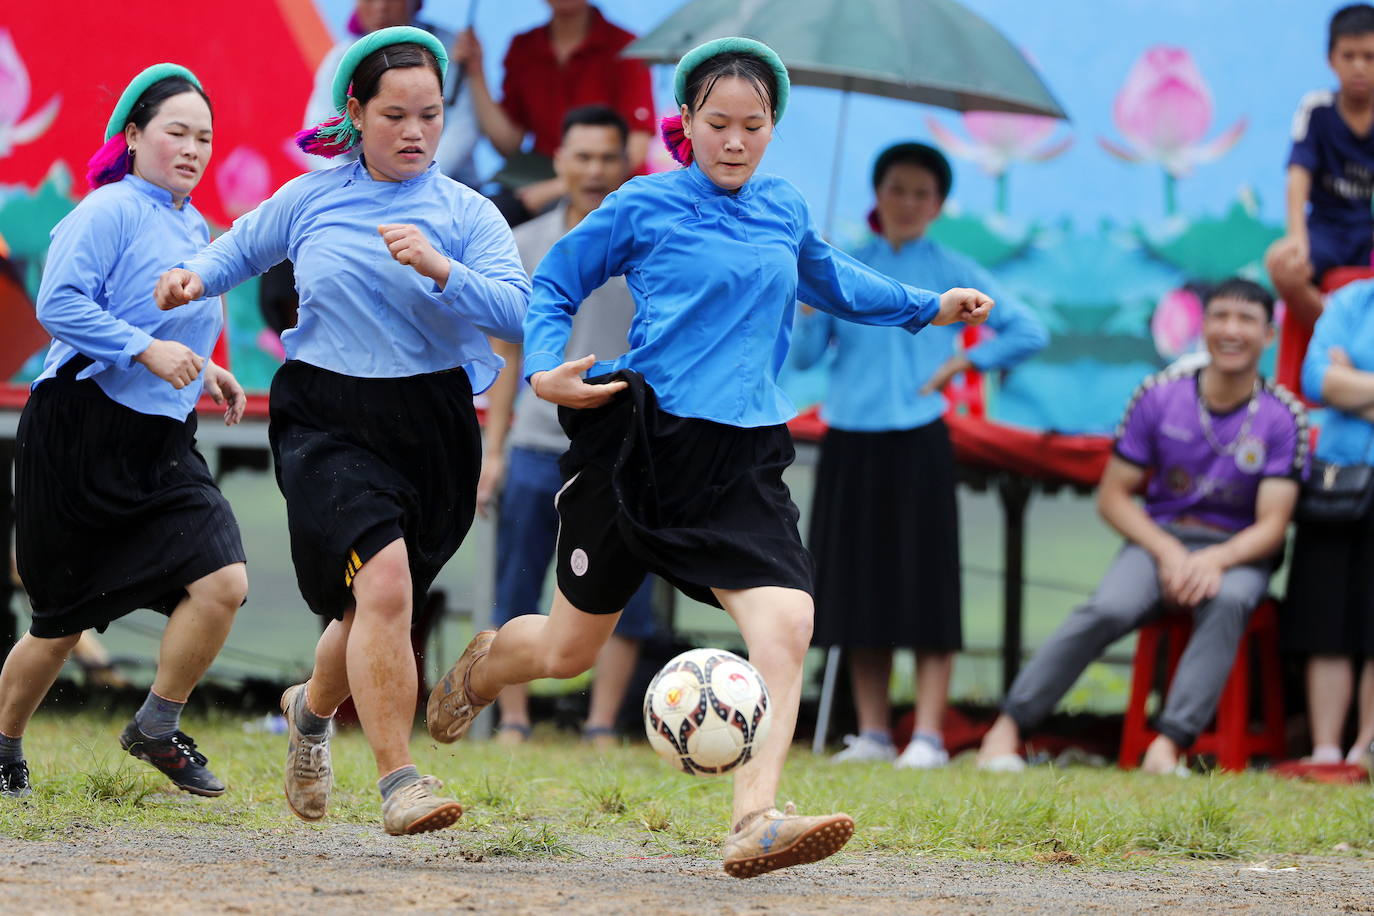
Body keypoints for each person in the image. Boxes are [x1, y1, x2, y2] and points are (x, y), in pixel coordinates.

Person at [426, 37, 992, 877]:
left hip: (743, 459)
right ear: (686, 122)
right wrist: (545, 368)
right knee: (567, 652)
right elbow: (555, 282)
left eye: (752, 126)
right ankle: (484, 668)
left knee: (788, 622)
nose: (734, 141)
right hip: (640, 447)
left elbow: (832, 278)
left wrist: (927, 306)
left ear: (772, 128)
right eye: (718, 124)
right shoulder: (643, 203)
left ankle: (754, 817)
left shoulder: (783, 208)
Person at [156, 28, 529, 835]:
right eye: (395, 115)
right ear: (355, 113)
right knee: (385, 588)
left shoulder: (467, 213)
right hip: (327, 417)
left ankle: (309, 710)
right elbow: (238, 249)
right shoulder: (313, 197)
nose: (415, 132)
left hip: (433, 423)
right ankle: (400, 781)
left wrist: (443, 269)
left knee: (371, 610)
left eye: (430, 115)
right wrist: (193, 277)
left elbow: (519, 313)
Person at [0, 64, 249, 799]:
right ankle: (3, 747)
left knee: (224, 582)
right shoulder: (106, 209)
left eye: (204, 137)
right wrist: (145, 351)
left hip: (160, 443)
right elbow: (58, 304)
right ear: (134, 136)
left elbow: (157, 324)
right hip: (78, 432)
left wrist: (206, 369)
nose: (193, 149)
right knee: (59, 625)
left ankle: (156, 725)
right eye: (177, 132)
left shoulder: (196, 227)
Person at [977, 279, 1305, 775]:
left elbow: (1273, 526)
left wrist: (1213, 560)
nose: (1231, 330)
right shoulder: (1158, 395)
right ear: (1203, 326)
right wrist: (1170, 552)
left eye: (1246, 320)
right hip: (1159, 541)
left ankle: (1168, 746)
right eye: (1220, 317)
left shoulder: (1283, 416)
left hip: (1236, 552)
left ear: (1269, 335)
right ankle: (1006, 730)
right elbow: (1112, 498)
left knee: (1230, 601)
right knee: (1107, 608)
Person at [791, 142, 1048, 770]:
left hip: (920, 440)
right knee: (858, 587)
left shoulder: (953, 268)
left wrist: (967, 360)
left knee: (927, 585)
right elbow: (803, 357)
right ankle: (874, 733)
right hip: (850, 439)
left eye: (921, 193)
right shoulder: (844, 263)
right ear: (877, 195)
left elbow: (1028, 329)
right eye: (896, 190)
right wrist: (807, 303)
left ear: (938, 205)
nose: (907, 202)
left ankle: (928, 735)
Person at [479, 104, 658, 748]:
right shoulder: (525, 243)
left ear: (628, 164)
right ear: (558, 161)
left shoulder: (653, 246)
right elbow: (507, 356)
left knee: (627, 593)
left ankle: (601, 725)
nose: (594, 169)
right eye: (582, 156)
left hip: (626, 448)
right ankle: (513, 721)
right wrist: (493, 451)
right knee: (518, 583)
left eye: (608, 157)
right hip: (535, 442)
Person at [454, 0, 655, 223]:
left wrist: (558, 187)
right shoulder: (524, 47)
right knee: (481, 219)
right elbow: (508, 143)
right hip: (543, 183)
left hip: (612, 188)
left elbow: (636, 149)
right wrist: (476, 73)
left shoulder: (626, 47)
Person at [1284, 277, 1374, 770]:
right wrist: (1338, 381)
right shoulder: (1352, 300)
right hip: (1337, 478)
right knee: (1326, 614)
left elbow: (1338, 385)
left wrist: (1353, 382)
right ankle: (1325, 750)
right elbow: (1317, 379)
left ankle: (1366, 749)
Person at [1265, 3, 1374, 325]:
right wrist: (1297, 238)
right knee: (1282, 265)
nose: (1359, 66)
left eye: (1369, 57)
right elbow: (1298, 175)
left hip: (1367, 230)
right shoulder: (1316, 110)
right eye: (1348, 55)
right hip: (1325, 230)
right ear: (1331, 59)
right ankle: (1337, 326)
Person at [303, 0, 482, 187]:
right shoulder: (342, 59)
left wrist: (418, 178)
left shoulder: (452, 50)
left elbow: (463, 128)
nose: (381, 7)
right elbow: (319, 134)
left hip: (444, 185)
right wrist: (350, 185)